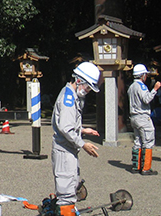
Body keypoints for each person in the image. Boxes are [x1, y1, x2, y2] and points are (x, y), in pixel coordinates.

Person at [51, 61, 101, 216]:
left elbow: (67, 123)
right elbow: (65, 128)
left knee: (71, 185)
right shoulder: (68, 99)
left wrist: (82, 129)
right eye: (87, 87)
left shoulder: (71, 95)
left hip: (68, 149)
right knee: (66, 192)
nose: (87, 91)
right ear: (79, 81)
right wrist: (83, 144)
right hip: (64, 150)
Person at [128, 64, 161, 175]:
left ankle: (135, 166)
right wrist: (155, 89)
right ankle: (146, 168)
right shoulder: (141, 86)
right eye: (145, 74)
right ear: (142, 75)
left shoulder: (131, 86)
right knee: (148, 141)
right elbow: (146, 99)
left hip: (133, 116)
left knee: (137, 141)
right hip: (142, 116)